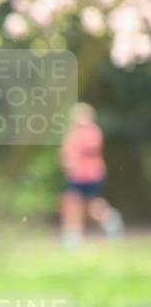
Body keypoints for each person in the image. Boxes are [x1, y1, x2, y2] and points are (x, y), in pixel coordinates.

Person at [59, 102, 122, 247]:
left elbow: (81, 151)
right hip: (83, 175)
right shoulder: (78, 132)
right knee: (78, 205)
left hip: (85, 175)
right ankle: (76, 234)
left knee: (78, 205)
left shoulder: (89, 132)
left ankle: (73, 237)